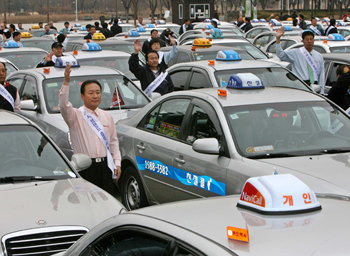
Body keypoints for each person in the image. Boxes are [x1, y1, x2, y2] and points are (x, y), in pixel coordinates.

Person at [59, 65, 121, 197]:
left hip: (105, 166)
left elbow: (114, 143)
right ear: (82, 95)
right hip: (85, 167)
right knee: (87, 201)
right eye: (91, 93)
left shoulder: (107, 116)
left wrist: (117, 163)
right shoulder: (75, 115)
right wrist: (66, 83)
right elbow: (63, 105)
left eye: (98, 92)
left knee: (107, 200)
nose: (95, 96)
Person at [276, 28, 325, 94]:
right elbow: (281, 55)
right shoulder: (296, 53)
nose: (309, 41)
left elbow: (321, 75)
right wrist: (278, 39)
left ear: (314, 40)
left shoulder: (319, 56)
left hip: (315, 87)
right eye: (307, 39)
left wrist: (322, 91)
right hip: (301, 86)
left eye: (311, 39)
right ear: (303, 41)